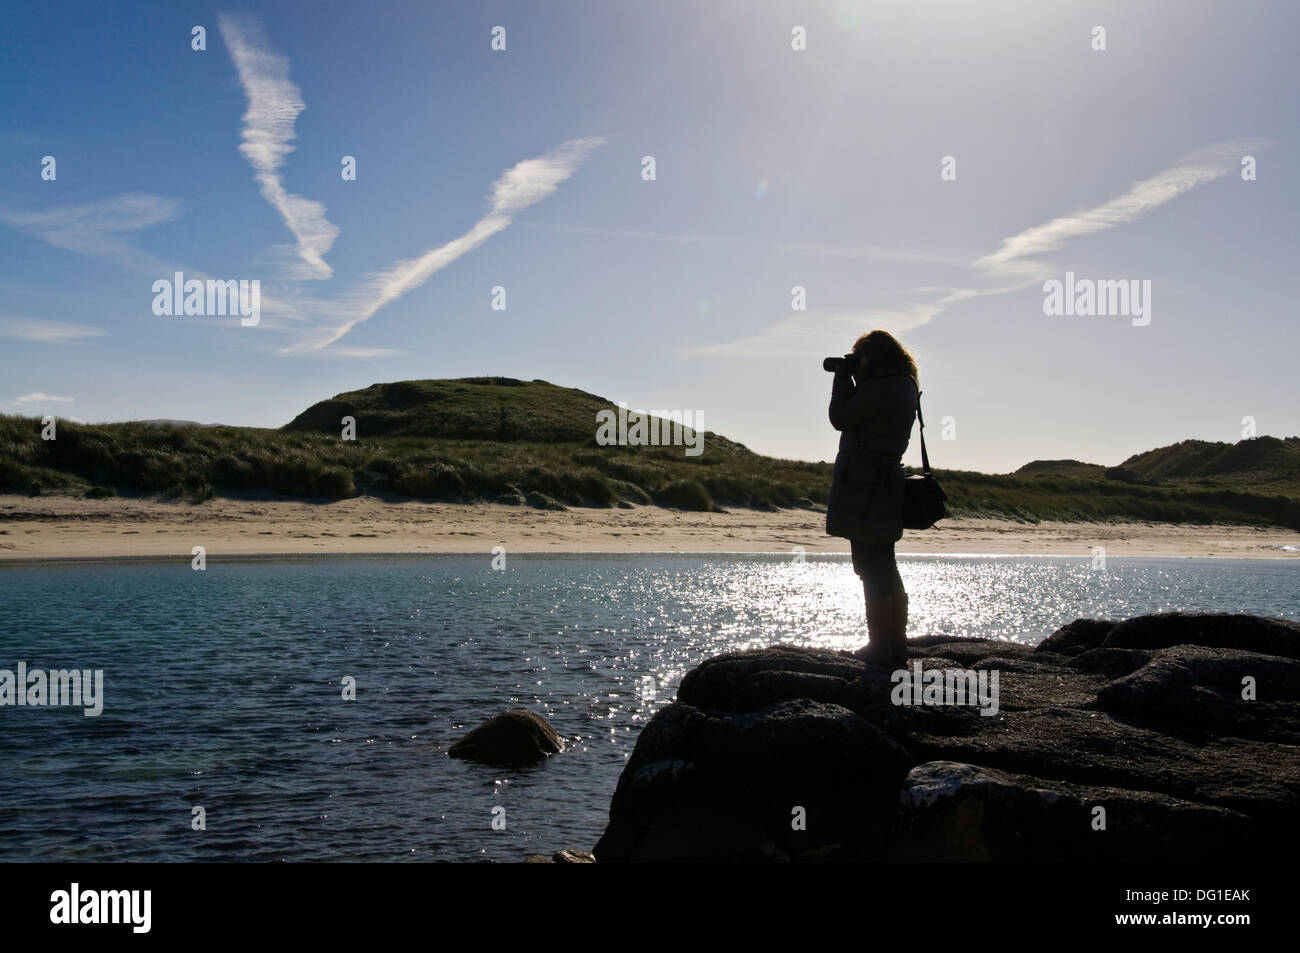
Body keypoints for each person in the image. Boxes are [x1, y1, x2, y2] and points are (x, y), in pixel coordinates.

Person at [824, 330, 920, 667]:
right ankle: (895, 644)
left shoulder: (880, 386)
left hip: (866, 486)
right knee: (885, 566)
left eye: (859, 355)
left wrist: (841, 378)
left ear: (872, 356)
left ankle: (880, 645)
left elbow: (840, 417)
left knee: (870, 567)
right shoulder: (904, 383)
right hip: (887, 482)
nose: (856, 361)